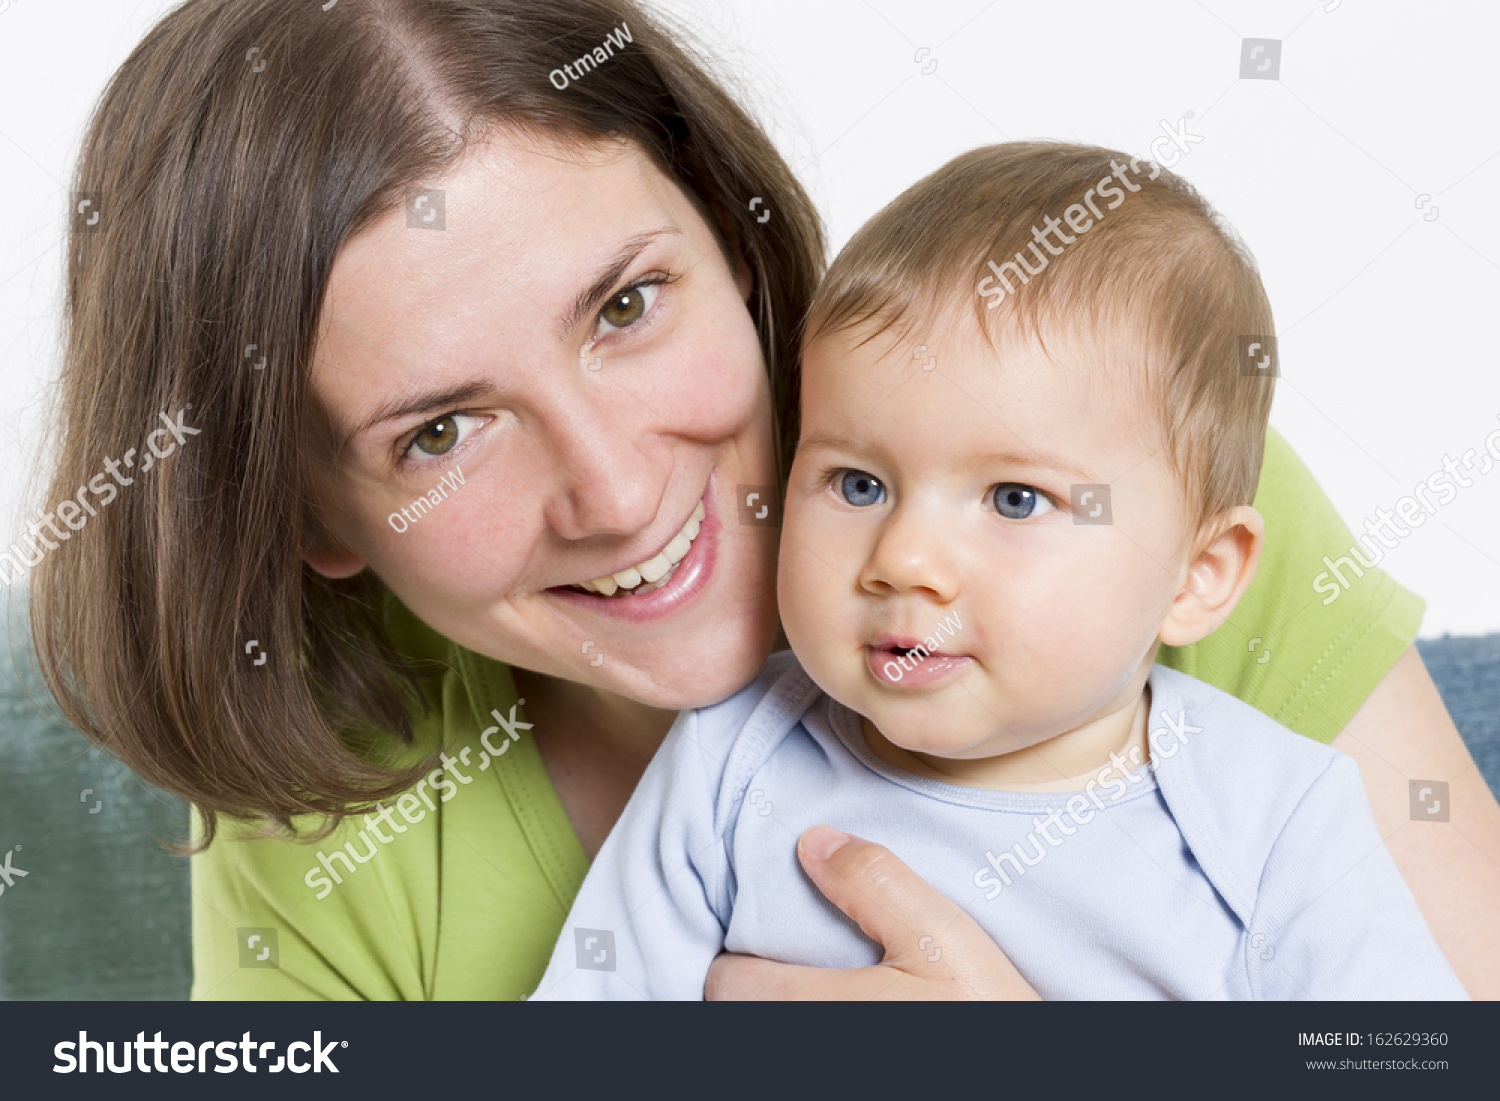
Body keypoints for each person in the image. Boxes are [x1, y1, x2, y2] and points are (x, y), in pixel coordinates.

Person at [28, 0, 1498, 1002]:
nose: (612, 491)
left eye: (626, 303)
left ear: (731, 239)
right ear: (308, 517)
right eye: (442, 431)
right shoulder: (327, 804)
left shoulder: (1115, 488)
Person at [529, 142, 1468, 1000]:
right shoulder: (729, 759)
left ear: (1198, 575)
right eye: (856, 482)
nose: (904, 559)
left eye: (1016, 499)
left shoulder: (1271, 816)